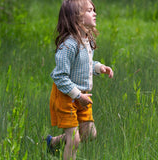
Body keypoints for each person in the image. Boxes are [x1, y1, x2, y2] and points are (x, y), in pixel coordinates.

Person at [47, 0, 114, 159]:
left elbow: (84, 65)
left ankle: (53, 143)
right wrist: (77, 95)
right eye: (89, 10)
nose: (94, 13)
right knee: (74, 140)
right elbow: (60, 76)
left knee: (90, 134)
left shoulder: (87, 40)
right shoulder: (69, 45)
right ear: (76, 17)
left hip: (81, 95)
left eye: (93, 10)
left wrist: (99, 68)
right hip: (66, 96)